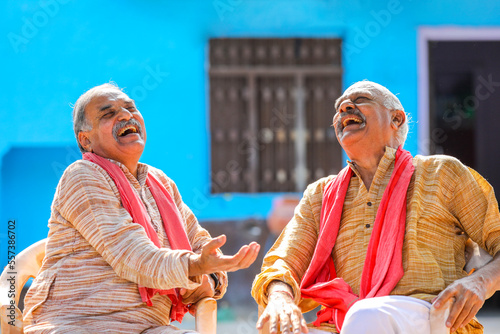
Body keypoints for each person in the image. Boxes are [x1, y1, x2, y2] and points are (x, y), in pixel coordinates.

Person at [252, 80, 500, 334]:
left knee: (367, 314)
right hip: (344, 322)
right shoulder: (320, 195)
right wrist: (280, 297)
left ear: (396, 119)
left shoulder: (442, 173)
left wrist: (480, 282)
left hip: (431, 315)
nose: (344, 109)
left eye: (361, 100)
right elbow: (283, 261)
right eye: (339, 109)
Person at [23, 83, 260, 334]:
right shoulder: (82, 176)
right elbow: (132, 256)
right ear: (86, 140)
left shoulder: (160, 183)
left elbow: (203, 249)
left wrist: (208, 274)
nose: (126, 116)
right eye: (108, 113)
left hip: (149, 327)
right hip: (78, 323)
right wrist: (194, 268)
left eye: (130, 108)